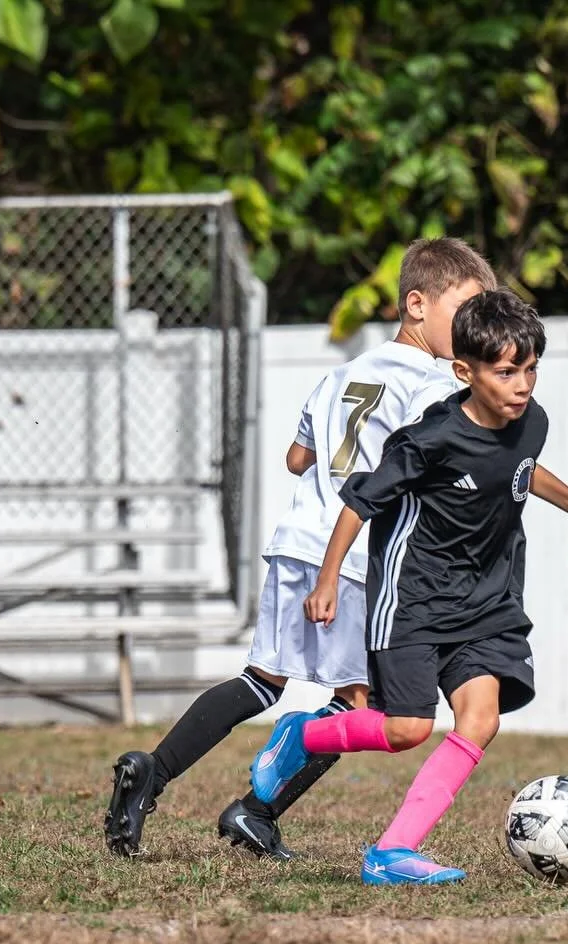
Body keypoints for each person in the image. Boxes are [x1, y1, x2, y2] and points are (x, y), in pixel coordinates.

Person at [103, 238, 495, 858]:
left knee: (262, 679)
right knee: (363, 702)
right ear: (417, 304)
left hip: (296, 543)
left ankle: (152, 772)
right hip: (357, 556)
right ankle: (256, 811)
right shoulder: (434, 386)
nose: (474, 327)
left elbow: (297, 457)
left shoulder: (340, 375)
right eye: (465, 309)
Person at [247, 288, 568, 885]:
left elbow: (518, 469)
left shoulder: (531, 422)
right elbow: (358, 503)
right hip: (411, 599)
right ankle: (302, 735)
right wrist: (328, 579)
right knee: (406, 730)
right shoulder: (430, 438)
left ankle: (391, 853)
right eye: (506, 372)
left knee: (480, 720)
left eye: (530, 369)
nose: (522, 385)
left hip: (488, 600)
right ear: (464, 373)